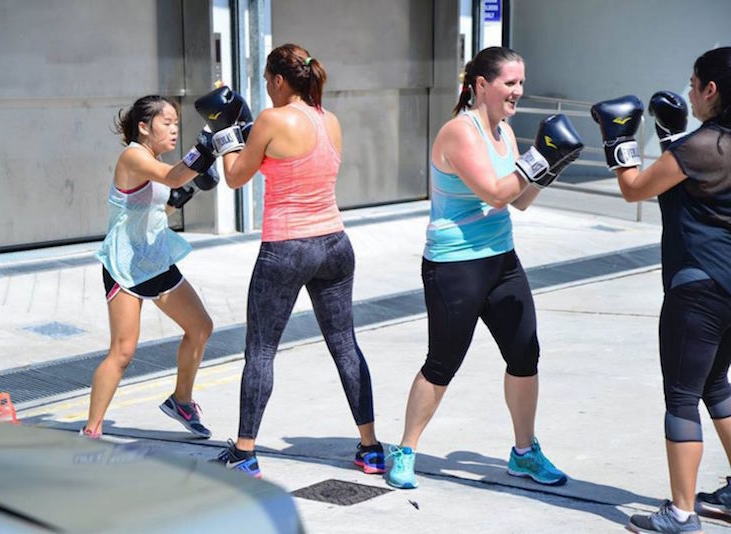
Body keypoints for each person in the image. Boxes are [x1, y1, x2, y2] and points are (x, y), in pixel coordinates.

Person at [386, 46, 584, 490]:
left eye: (521, 83)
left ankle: (524, 452)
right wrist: (540, 157)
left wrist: (551, 166)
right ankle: (405, 449)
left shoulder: (505, 133)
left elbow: (519, 200)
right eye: (510, 83)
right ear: (481, 85)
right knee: (442, 363)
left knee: (525, 355)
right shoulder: (460, 132)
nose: (519, 91)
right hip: (455, 265)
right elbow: (495, 192)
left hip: (502, 260)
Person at [194, 44, 384, 478]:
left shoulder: (271, 120)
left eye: (266, 80)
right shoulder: (329, 119)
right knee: (345, 345)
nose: (265, 88)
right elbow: (290, 165)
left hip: (287, 248)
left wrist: (225, 134)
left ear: (279, 80)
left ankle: (245, 453)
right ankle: (371, 448)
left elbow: (235, 176)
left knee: (260, 349)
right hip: (334, 244)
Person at [593, 47, 731, 534]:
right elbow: (685, 196)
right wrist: (675, 135)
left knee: (681, 397)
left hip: (697, 288)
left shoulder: (700, 148)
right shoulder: (701, 146)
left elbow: (635, 188)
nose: (690, 90)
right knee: (717, 386)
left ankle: (681, 512)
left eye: (695, 83)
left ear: (712, 90)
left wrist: (618, 139)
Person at [84, 95, 217, 439]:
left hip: (155, 259)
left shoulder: (154, 160)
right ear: (144, 127)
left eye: (176, 123)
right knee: (123, 352)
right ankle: (91, 430)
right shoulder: (133, 155)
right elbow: (173, 177)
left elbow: (156, 207)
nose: (174, 129)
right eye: (167, 123)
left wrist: (180, 200)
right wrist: (208, 146)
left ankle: (181, 401)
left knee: (200, 327)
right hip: (125, 265)